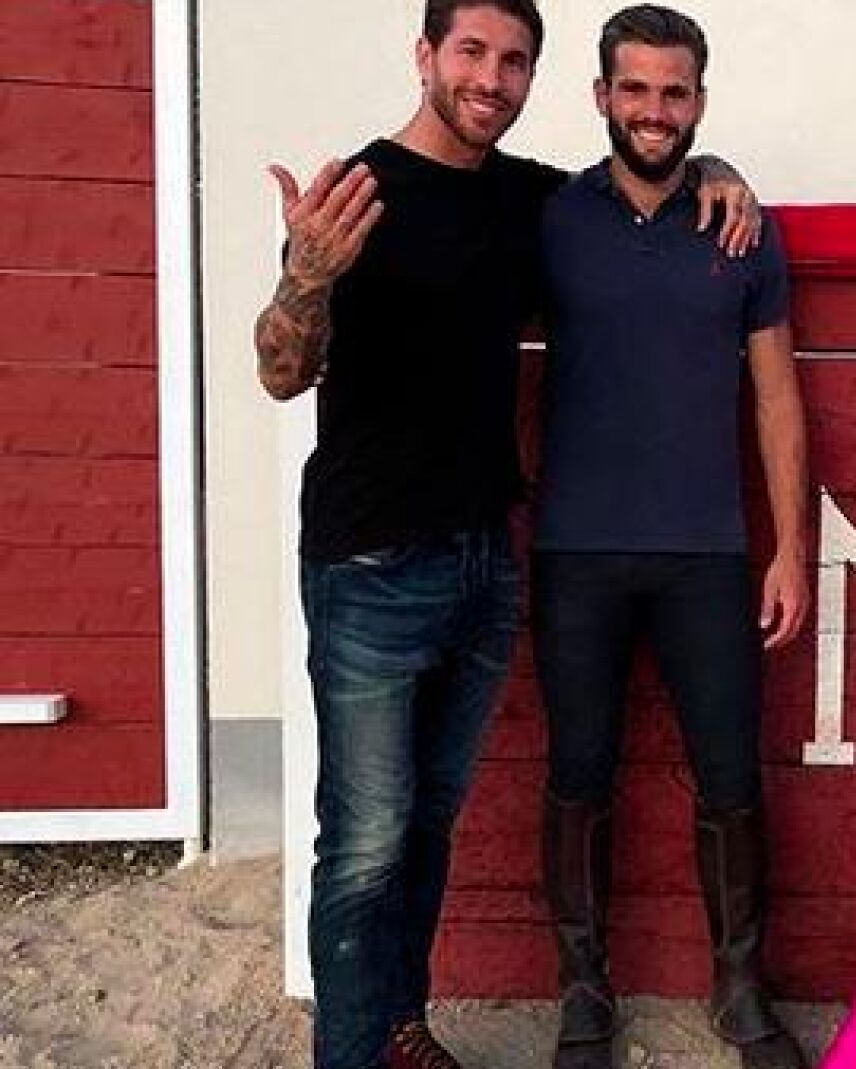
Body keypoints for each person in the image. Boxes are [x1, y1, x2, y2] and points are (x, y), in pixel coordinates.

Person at [251, 2, 759, 1066]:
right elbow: (282, 372)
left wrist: (717, 166)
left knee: (427, 825)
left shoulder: (529, 199)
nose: (490, 78)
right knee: (364, 844)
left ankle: (401, 1029)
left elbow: (642, 173)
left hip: (483, 559)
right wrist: (304, 277)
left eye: (513, 60)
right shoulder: (357, 194)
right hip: (370, 560)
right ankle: (352, 1051)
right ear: (425, 55)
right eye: (471, 52)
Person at [527, 7, 810, 1069]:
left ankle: (739, 989)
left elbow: (776, 397)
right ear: (601, 95)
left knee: (731, 777)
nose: (655, 111)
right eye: (635, 89)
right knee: (578, 773)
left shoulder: (742, 227)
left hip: (708, 553)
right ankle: (583, 992)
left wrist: (791, 549)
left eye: (675, 92)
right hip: (575, 552)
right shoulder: (549, 217)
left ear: (699, 100)